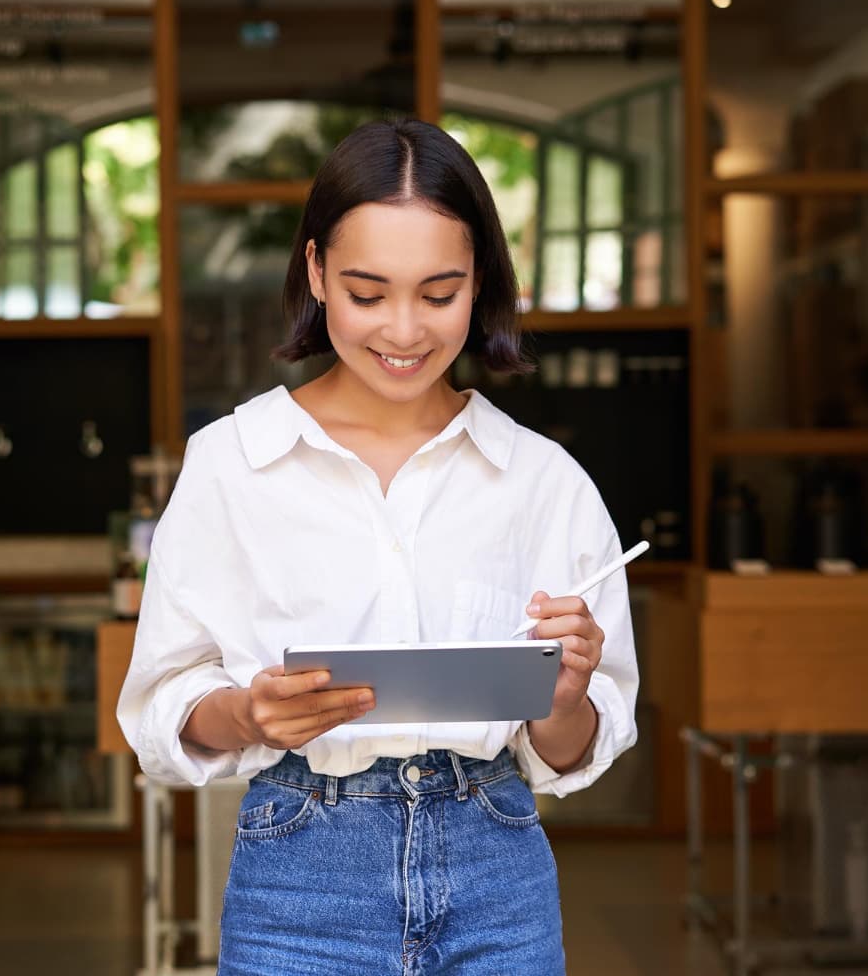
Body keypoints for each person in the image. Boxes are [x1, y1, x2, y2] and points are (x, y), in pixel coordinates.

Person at [117, 118, 639, 975]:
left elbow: (570, 751)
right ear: (317, 271)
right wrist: (248, 712)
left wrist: (567, 692)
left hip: (497, 870)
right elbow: (163, 708)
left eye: (440, 294)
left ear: (481, 284)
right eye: (368, 292)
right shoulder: (232, 465)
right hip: (300, 877)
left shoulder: (543, 482)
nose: (404, 331)